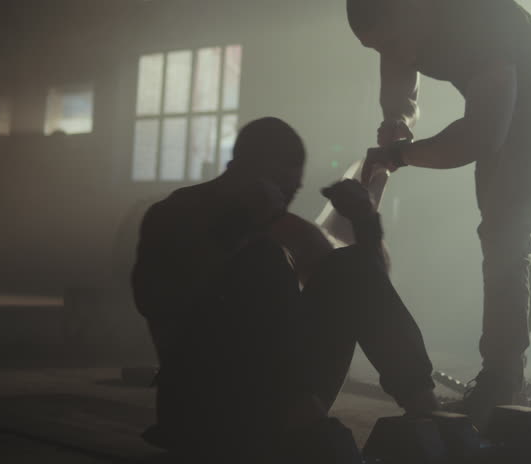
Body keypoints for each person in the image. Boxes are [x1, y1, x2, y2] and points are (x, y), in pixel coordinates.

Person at [347, 0, 531, 427]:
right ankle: (504, 373)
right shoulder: (401, 22)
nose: (387, 55)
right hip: (501, 113)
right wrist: (396, 122)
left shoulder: (477, 22)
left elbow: (482, 136)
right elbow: (399, 86)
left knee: (504, 232)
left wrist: (400, 155)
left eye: (390, 43)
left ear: (412, 10)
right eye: (375, 48)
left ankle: (502, 381)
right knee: (496, 233)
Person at [131, 116, 438, 463]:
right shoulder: (176, 213)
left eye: (290, 192)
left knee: (349, 262)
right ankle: (304, 422)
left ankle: (425, 410)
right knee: (262, 258)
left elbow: (364, 287)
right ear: (243, 170)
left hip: (280, 397)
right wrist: (240, 230)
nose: (282, 200)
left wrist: (365, 222)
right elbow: (159, 305)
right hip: (204, 401)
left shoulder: (281, 225)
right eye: (277, 187)